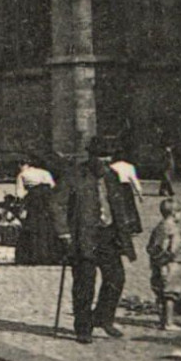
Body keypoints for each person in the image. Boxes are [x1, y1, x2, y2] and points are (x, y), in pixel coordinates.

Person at [59, 136, 143, 343]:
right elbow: (58, 204)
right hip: (83, 236)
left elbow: (122, 202)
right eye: (102, 158)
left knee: (116, 278)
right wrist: (64, 233)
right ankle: (83, 327)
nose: (106, 162)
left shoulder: (113, 176)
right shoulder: (74, 175)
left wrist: (127, 227)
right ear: (91, 156)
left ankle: (103, 318)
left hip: (108, 236)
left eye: (109, 158)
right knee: (84, 284)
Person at [14, 156, 65, 265]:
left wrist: (21, 206)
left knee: (34, 227)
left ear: (21, 165)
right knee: (48, 227)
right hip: (46, 201)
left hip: (34, 201)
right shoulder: (44, 172)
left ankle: (34, 255)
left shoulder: (22, 175)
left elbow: (20, 194)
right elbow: (53, 187)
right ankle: (51, 255)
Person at [146, 199, 181, 332]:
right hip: (171, 264)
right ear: (174, 213)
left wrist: (157, 261)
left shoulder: (158, 227)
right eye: (180, 212)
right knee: (170, 295)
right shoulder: (174, 229)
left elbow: (151, 247)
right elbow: (173, 249)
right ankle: (169, 322)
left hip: (158, 264)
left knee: (161, 294)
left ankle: (162, 320)